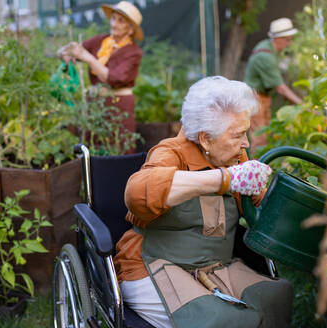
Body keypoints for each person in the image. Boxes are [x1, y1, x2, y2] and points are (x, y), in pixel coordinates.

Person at [114, 76, 293, 328]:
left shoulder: (235, 155)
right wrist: (224, 179)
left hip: (216, 265)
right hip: (155, 264)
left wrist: (265, 196)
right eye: (238, 135)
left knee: (276, 296)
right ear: (206, 139)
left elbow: (260, 211)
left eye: (246, 133)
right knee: (220, 320)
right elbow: (138, 193)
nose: (247, 144)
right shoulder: (170, 153)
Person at [60, 1, 143, 150]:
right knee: (94, 144)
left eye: (121, 21)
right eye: (113, 18)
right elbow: (71, 50)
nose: (114, 24)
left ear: (130, 30)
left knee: (120, 146)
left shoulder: (134, 52)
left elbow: (113, 78)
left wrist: (88, 58)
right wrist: (65, 53)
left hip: (119, 105)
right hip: (95, 103)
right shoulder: (100, 41)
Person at [244, 17, 303, 155]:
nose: (290, 43)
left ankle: (263, 166)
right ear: (278, 38)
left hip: (263, 96)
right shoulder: (266, 56)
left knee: (266, 134)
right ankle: (255, 171)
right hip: (254, 97)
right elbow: (280, 87)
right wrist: (301, 104)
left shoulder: (269, 48)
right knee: (260, 137)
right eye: (288, 39)